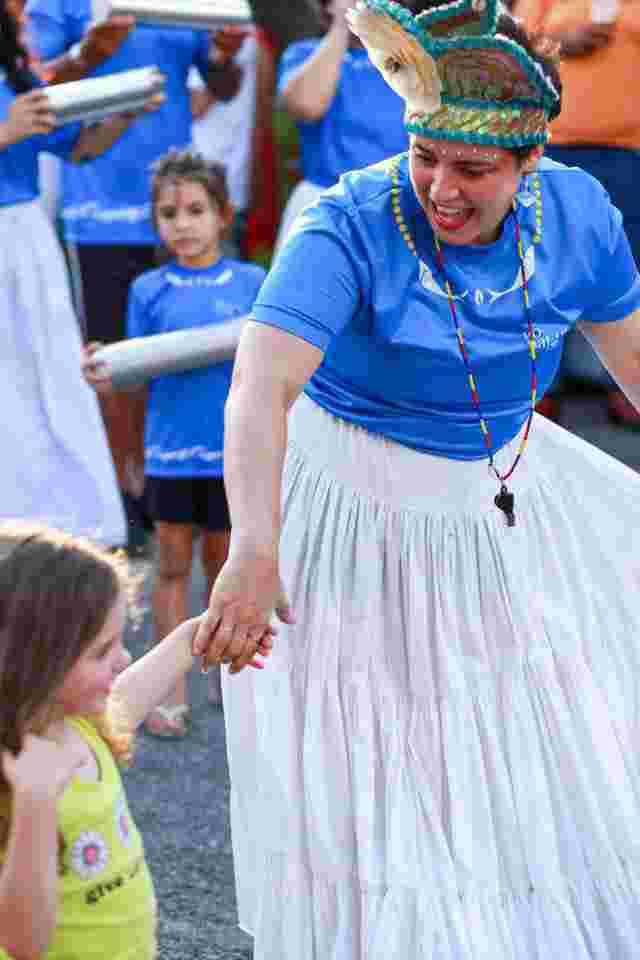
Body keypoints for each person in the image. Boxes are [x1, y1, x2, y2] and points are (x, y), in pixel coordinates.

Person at [192, 0, 640, 955]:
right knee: (387, 757)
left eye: (473, 169)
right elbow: (258, 388)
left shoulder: (579, 216)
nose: (440, 185)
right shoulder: (348, 219)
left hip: (502, 497)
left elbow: (636, 363)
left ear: (531, 165)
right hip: (356, 505)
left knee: (518, 732)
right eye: (426, 155)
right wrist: (255, 545)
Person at [25, 0, 245, 553]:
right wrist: (87, 52)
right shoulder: (62, 4)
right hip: (100, 210)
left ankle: (182, 485)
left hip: (180, 204)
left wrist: (223, 53)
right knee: (114, 365)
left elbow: (223, 84)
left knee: (189, 351)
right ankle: (122, 498)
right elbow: (33, 84)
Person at [0, 521, 273, 960]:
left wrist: (196, 636)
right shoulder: (15, 776)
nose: (122, 658)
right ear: (33, 658)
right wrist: (35, 802)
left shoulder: (79, 725)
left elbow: (130, 692)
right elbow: (23, 943)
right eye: (101, 651)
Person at [83, 150, 266, 738]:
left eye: (195, 210)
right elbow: (134, 375)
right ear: (155, 221)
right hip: (170, 454)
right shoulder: (148, 289)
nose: (182, 223)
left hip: (231, 456)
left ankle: (229, 681)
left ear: (223, 215)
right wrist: (128, 446)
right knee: (169, 568)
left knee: (222, 568)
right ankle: (168, 689)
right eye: (168, 213)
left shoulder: (252, 284)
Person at [0, 0, 161, 545]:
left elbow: (79, 148)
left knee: (48, 376)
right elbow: (14, 132)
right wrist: (4, 130)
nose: (22, 13)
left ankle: (60, 525)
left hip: (25, 240)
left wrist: (123, 114)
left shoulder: (13, 73)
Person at [515, 0, 640, 428]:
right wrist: (561, 41)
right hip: (556, 146)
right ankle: (539, 384)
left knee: (628, 263)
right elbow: (516, 43)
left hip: (631, 152)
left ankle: (623, 384)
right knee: (544, 260)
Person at [274, 0, 409, 252]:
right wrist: (340, 26)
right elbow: (307, 105)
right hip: (325, 198)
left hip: (396, 206)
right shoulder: (304, 52)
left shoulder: (413, 59)